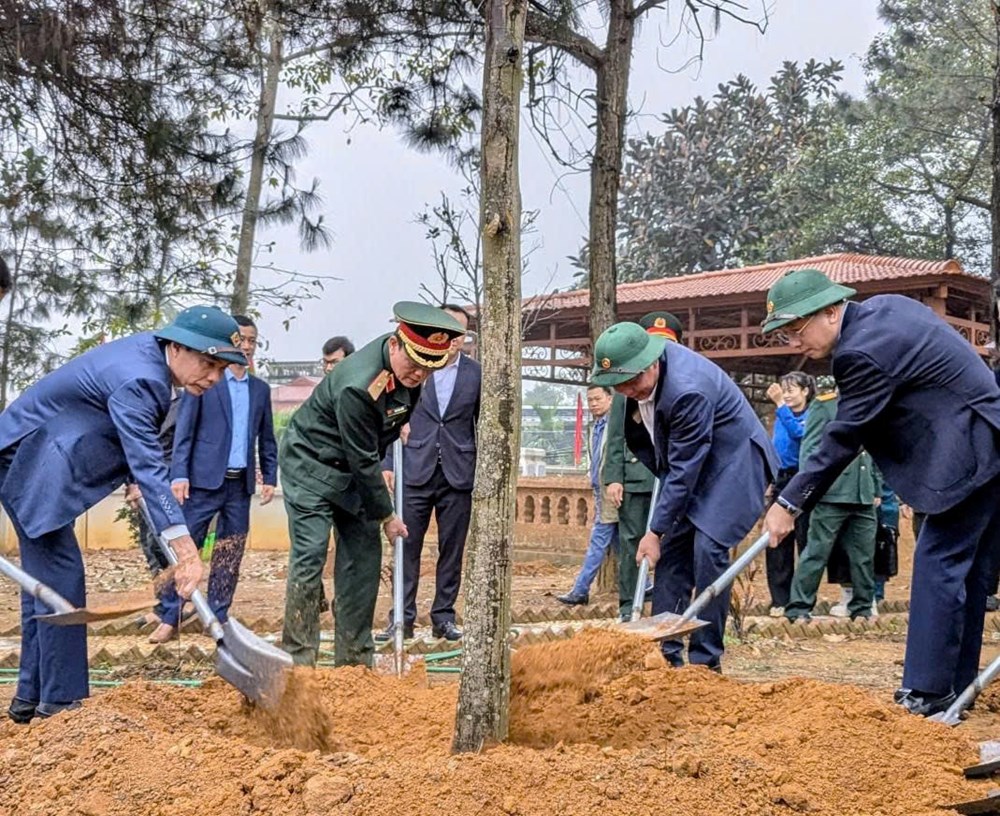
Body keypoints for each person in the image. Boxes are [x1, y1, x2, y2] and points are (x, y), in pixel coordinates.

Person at [760, 268, 1000, 716]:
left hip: (968, 451)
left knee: (938, 564)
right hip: (987, 440)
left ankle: (927, 693)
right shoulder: (886, 309)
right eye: (785, 333)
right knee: (966, 574)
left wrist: (788, 503)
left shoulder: (859, 352)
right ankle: (955, 689)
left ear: (831, 312)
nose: (794, 342)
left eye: (796, 329)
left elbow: (844, 436)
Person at [1, 306, 245, 723]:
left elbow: (133, 442)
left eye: (222, 369)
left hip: (34, 455)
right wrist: (186, 549)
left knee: (45, 579)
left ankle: (31, 696)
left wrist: (137, 481)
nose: (214, 378)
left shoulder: (150, 363)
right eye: (209, 364)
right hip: (29, 459)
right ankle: (61, 704)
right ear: (178, 347)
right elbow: (150, 466)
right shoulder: (142, 378)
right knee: (61, 576)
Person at [279, 302, 464, 667]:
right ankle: (298, 664)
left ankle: (354, 664)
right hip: (311, 466)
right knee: (311, 554)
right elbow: (364, 459)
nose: (419, 374)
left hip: (354, 470)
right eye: (414, 364)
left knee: (363, 562)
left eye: (429, 367)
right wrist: (388, 516)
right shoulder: (358, 385)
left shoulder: (411, 373)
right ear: (395, 344)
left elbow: (385, 427)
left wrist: (396, 424)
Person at [591, 321, 777, 671]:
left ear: (651, 364)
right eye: (618, 385)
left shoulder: (688, 389)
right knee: (672, 554)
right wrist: (661, 534)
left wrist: (653, 531)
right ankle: (666, 655)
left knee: (707, 549)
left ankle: (706, 662)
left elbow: (683, 471)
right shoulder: (635, 385)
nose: (627, 391)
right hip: (691, 463)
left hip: (734, 465)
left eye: (632, 382)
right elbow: (669, 461)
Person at [149, 315, 279, 642]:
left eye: (252, 341)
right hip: (202, 482)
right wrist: (179, 473)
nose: (246, 346)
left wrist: (269, 476)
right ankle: (170, 614)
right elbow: (185, 431)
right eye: (241, 340)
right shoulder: (206, 381)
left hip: (240, 485)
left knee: (229, 552)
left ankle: (218, 615)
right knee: (186, 546)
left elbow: (267, 437)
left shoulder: (260, 390)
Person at [378, 304, 480, 642]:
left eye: (458, 332)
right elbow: (390, 418)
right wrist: (388, 464)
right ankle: (401, 618)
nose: (451, 338)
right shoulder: (414, 365)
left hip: (458, 473)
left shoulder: (476, 374)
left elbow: (481, 424)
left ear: (464, 337)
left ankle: (443, 617)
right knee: (406, 546)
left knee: (452, 549)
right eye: (445, 330)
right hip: (415, 470)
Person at [604, 311, 684, 620]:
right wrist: (614, 477)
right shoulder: (627, 383)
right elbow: (616, 435)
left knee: (672, 544)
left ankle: (668, 605)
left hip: (674, 480)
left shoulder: (681, 384)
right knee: (631, 543)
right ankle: (628, 607)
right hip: (636, 477)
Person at [783, 375, 878, 623]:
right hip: (832, 492)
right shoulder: (825, 405)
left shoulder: (870, 404)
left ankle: (862, 607)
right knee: (816, 552)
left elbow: (875, 450)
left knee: (864, 556)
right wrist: (811, 489)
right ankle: (798, 608)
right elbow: (809, 450)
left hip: (863, 493)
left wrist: (876, 488)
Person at [555, 385, 620, 606]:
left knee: (599, 540)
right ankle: (646, 584)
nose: (593, 404)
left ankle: (581, 589)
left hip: (611, 490)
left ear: (610, 399)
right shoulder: (595, 427)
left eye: (598, 399)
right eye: (590, 400)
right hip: (600, 489)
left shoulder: (616, 425)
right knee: (620, 543)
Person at [764, 371, 815, 616]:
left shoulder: (811, 415)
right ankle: (779, 599)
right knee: (777, 541)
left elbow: (800, 434)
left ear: (805, 391)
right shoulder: (780, 415)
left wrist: (780, 405)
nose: (786, 395)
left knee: (804, 538)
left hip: (803, 478)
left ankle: (802, 598)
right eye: (784, 391)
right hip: (781, 478)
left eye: (791, 390)